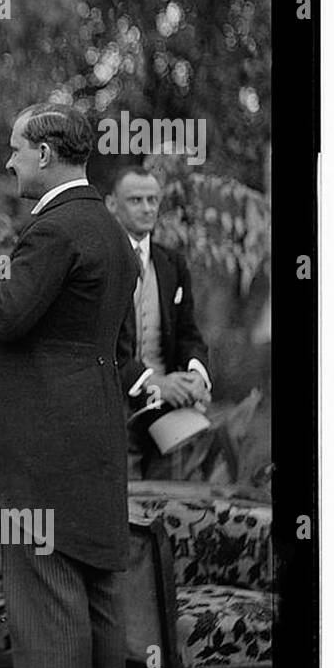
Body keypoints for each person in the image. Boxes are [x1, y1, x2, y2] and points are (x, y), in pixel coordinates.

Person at [0, 103, 137, 668]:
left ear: (44, 154)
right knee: (96, 612)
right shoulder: (113, 233)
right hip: (95, 448)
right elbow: (115, 348)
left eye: (15, 148)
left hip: (42, 461)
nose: (9, 160)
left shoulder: (54, 228)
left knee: (47, 622)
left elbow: (7, 315)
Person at [107, 167, 213, 476]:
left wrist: (195, 375)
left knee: (169, 505)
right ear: (112, 204)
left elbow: (188, 333)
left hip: (166, 412)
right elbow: (97, 344)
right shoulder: (100, 261)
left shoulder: (172, 263)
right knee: (125, 508)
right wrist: (152, 383)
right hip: (114, 409)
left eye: (153, 200)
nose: (147, 208)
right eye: (136, 200)